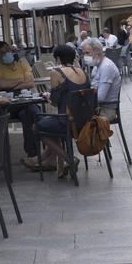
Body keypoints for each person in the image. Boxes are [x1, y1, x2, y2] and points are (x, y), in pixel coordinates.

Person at [33, 44, 89, 173]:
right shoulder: (83, 72)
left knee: (37, 127)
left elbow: (54, 102)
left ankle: (69, 159)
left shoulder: (56, 72)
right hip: (85, 121)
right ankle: (45, 159)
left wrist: (47, 96)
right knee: (48, 124)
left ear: (58, 59)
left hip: (67, 121)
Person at [0, 41, 42, 163]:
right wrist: (20, 81)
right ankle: (35, 152)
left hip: (25, 100)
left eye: (8, 50)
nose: (7, 54)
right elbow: (1, 84)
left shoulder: (22, 63)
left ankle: (32, 152)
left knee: (29, 113)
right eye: (3, 53)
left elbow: (30, 82)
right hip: (7, 105)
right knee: (31, 112)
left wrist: (10, 85)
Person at [80, 37, 122, 119]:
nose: (85, 56)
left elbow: (100, 97)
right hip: (98, 107)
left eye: (87, 53)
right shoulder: (97, 66)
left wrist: (81, 98)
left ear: (97, 51)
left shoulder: (106, 67)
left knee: (72, 119)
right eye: (83, 53)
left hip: (106, 110)